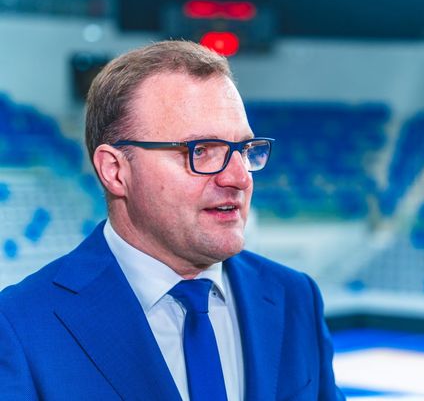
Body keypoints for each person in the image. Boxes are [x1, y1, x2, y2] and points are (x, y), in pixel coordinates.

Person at [0, 41, 344, 400]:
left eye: (243, 150)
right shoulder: (20, 328)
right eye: (201, 151)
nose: (239, 178)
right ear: (115, 170)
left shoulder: (295, 297)